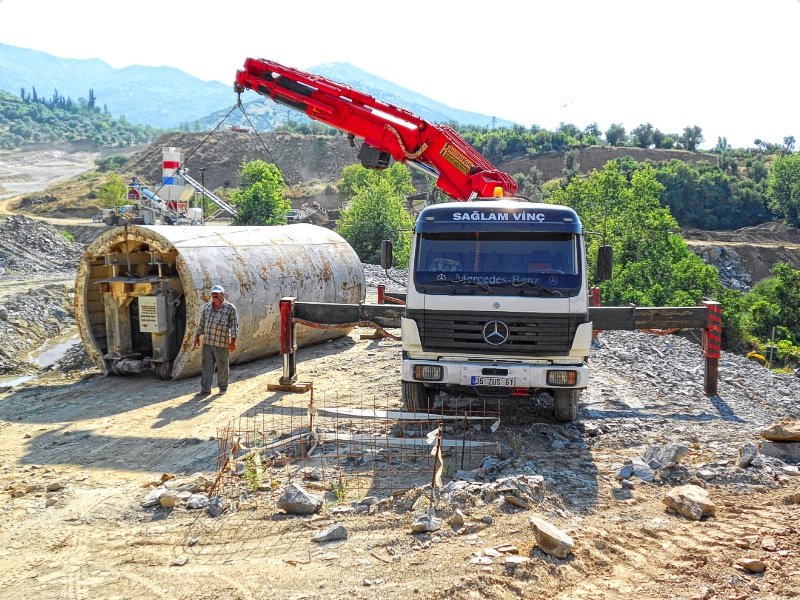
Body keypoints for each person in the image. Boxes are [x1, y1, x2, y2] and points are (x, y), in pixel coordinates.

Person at [194, 284, 238, 395]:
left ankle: (223, 388)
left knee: (222, 366)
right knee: (206, 367)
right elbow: (202, 324)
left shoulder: (230, 308)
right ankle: (205, 389)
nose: (214, 296)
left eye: (216, 294)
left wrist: (232, 342)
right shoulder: (207, 307)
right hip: (208, 342)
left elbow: (234, 326)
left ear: (222, 295)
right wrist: (197, 337)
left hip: (221, 343)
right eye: (213, 294)